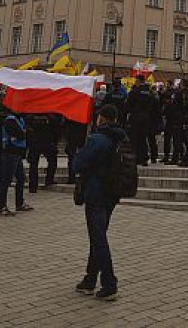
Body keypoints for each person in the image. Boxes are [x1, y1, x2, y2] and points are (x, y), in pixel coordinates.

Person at [73, 104, 127, 301]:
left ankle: (109, 283)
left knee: (98, 238)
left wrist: (81, 148)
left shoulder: (97, 140)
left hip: (96, 193)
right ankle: (89, 279)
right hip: (112, 193)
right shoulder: (121, 137)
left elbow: (78, 165)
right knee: (99, 235)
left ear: (102, 119)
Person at [0, 105, 34, 216]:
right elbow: (20, 134)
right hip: (10, 152)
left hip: (17, 153)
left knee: (21, 178)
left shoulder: (19, 119)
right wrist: (24, 132)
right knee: (6, 180)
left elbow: (27, 132)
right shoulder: (10, 120)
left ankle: (19, 203)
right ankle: (2, 206)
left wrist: (25, 132)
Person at [26, 111, 60, 192]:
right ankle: (48, 180)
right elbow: (57, 128)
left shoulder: (30, 117)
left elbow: (27, 129)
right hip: (47, 142)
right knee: (52, 161)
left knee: (34, 164)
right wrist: (54, 141)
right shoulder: (51, 117)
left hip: (36, 142)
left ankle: (33, 186)